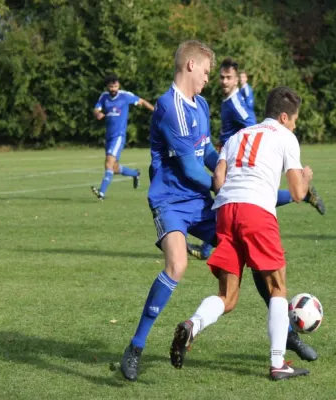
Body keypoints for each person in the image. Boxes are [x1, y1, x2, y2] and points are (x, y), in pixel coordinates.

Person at [170, 86, 313, 381]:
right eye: (295, 119)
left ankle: (192, 325)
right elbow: (298, 193)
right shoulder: (286, 137)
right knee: (277, 287)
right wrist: (307, 177)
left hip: (225, 211)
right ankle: (277, 363)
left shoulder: (239, 136)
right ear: (284, 117)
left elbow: (219, 179)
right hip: (256, 211)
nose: (295, 125)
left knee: (228, 296)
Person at [119, 40, 220, 382]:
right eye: (206, 71)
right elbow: (193, 171)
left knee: (246, 242)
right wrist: (220, 184)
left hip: (198, 202)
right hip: (170, 201)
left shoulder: (201, 104)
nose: (208, 78)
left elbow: (206, 154)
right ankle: (136, 346)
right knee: (177, 264)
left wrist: (225, 167)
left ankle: (282, 330)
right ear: (190, 66)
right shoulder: (168, 106)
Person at [187, 57, 325, 261]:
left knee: (232, 194)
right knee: (237, 195)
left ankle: (207, 248)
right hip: (229, 154)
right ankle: (304, 196)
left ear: (236, 80)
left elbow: (253, 126)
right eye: (222, 77)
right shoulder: (228, 101)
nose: (224, 81)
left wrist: (244, 146)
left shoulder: (235, 103)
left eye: (229, 78)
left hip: (238, 156)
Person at [91, 74, 154, 201]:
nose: (113, 88)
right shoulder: (104, 97)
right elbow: (96, 109)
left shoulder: (125, 96)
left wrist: (156, 111)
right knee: (114, 168)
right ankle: (135, 174)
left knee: (108, 163)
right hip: (108, 136)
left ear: (118, 85)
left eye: (115, 86)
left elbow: (141, 101)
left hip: (118, 136)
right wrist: (97, 113)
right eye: (111, 86)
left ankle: (101, 193)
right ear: (107, 87)